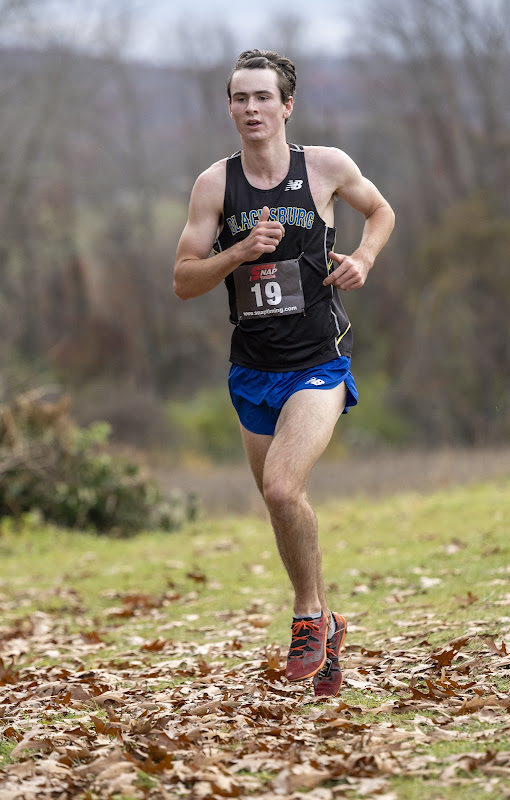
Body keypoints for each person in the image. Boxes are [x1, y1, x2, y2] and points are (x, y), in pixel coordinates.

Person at [174, 49, 395, 697]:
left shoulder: (324, 168)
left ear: (286, 106)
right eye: (239, 98)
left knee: (279, 489)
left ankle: (305, 619)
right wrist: (238, 252)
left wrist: (364, 257)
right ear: (231, 107)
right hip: (252, 371)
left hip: (316, 365)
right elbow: (184, 280)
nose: (250, 109)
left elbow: (380, 211)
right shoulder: (215, 185)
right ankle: (326, 624)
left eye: (262, 97)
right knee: (283, 505)